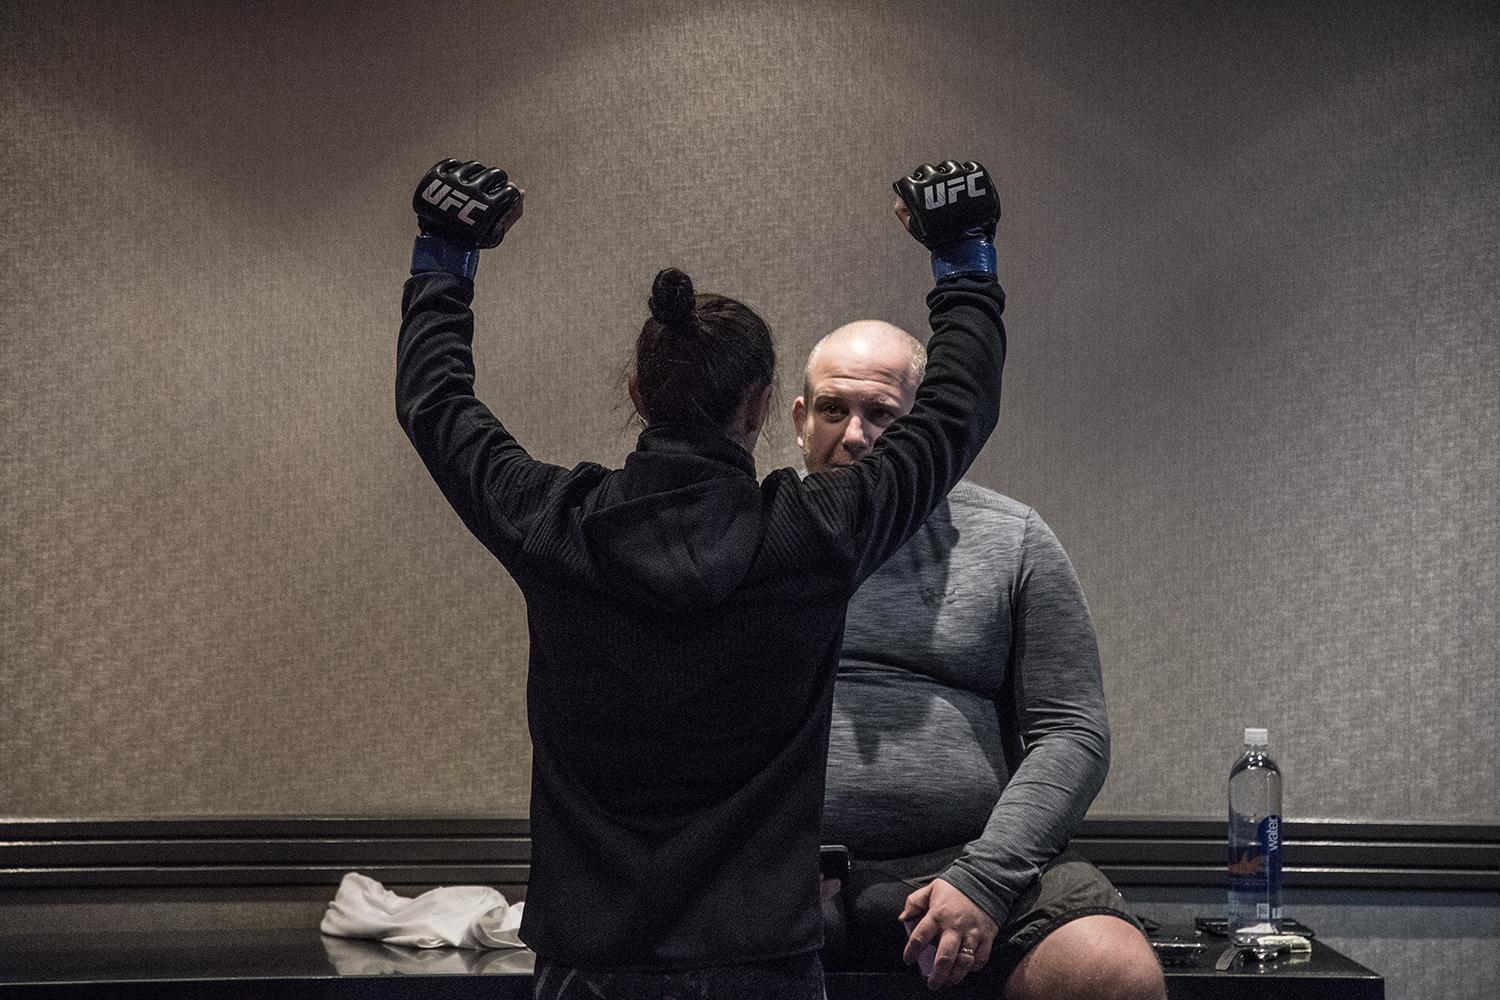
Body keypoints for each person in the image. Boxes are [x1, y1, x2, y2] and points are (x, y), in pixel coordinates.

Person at [396, 158, 1007, 998]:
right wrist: (963, 257)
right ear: (761, 407)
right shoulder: (813, 533)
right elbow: (956, 407)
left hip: (590, 963)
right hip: (763, 961)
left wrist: (444, 257)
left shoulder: (554, 524)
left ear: (640, 392)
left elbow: (435, 406)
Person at [797, 322, 1167, 999]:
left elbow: (1072, 734)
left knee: (1113, 974)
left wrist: (986, 879)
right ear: (800, 419)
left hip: (966, 857)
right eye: (833, 409)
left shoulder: (1013, 537)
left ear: (930, 425)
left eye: (882, 414)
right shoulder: (751, 528)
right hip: (771, 869)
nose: (855, 435)